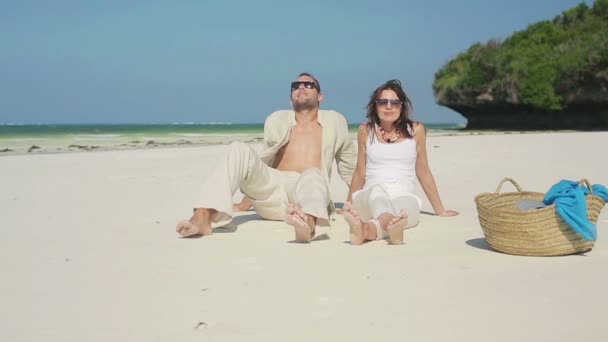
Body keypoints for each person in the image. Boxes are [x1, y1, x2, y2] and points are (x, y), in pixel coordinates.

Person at [176, 72, 357, 242]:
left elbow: (350, 166)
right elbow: (264, 161)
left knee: (313, 173)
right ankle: (202, 218)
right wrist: (245, 202)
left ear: (320, 96)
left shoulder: (335, 121)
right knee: (238, 149)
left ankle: (306, 226)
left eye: (308, 84)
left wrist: (353, 203)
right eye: (296, 86)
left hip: (307, 191)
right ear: (290, 98)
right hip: (272, 188)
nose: (301, 87)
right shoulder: (277, 120)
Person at [341, 79, 458, 245]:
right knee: (378, 193)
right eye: (383, 102)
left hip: (403, 194)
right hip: (370, 197)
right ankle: (393, 228)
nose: (389, 107)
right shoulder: (365, 131)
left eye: (395, 103)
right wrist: (348, 204)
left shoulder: (416, 130)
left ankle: (366, 231)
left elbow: (423, 171)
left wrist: (440, 210)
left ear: (402, 106)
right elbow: (360, 172)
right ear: (375, 105)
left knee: (406, 209)